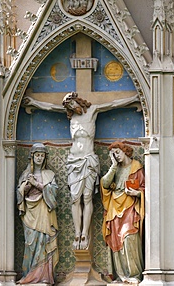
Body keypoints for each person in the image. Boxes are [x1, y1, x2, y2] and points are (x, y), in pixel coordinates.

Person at [22, 92, 139, 250]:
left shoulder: (92, 111)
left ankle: (85, 233)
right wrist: (34, 103)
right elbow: (50, 106)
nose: (71, 108)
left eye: (72, 104)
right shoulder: (72, 119)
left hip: (89, 159)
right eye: (68, 106)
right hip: (74, 161)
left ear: (78, 102)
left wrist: (133, 99)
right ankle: (77, 233)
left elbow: (113, 103)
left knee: (87, 197)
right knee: (75, 199)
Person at [100, 141, 145, 284]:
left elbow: (145, 188)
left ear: (125, 151)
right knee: (116, 241)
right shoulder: (115, 169)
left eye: (118, 152)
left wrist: (137, 194)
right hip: (114, 209)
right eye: (113, 154)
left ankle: (134, 274)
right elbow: (105, 184)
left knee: (129, 239)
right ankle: (121, 276)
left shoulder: (136, 167)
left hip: (130, 207)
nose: (116, 156)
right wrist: (113, 166)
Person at [17, 143, 58, 285]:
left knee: (44, 241)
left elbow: (53, 192)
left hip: (44, 210)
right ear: (32, 157)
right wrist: (27, 186)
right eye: (37, 155)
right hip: (30, 212)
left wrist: (38, 185)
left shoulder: (49, 174)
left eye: (42, 155)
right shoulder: (25, 174)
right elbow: (19, 194)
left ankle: (44, 276)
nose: (39, 158)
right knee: (31, 242)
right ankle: (29, 275)